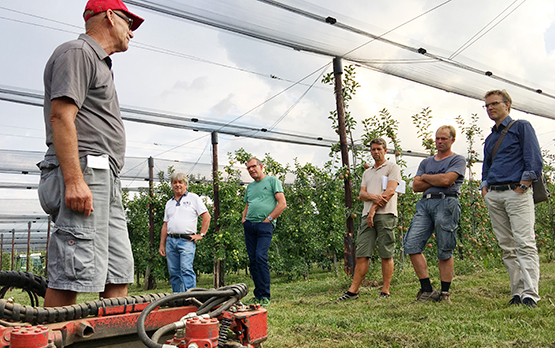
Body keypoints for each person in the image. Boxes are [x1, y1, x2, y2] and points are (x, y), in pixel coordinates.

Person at [37, 0, 144, 307]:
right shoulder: (78, 53)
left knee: (117, 270)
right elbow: (61, 116)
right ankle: (50, 338)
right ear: (110, 16)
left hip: (105, 176)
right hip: (84, 170)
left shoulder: (100, 64)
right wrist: (73, 180)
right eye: (128, 23)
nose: (131, 33)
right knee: (73, 268)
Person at [480, 90, 543, 308]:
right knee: (507, 246)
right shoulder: (491, 138)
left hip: (516, 191)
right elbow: (486, 166)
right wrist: (485, 188)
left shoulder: (521, 127)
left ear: (507, 104)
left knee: (524, 243)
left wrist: (524, 184)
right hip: (495, 195)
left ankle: (530, 294)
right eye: (486, 105)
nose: (490, 108)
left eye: (494, 104)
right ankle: (516, 292)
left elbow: (533, 158)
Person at [403, 126, 466, 303]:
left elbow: (447, 181)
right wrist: (437, 178)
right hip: (425, 204)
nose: (439, 142)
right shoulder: (426, 162)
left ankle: (445, 293)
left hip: (447, 202)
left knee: (445, 247)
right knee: (411, 244)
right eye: (437, 138)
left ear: (452, 140)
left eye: (443, 139)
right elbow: (415, 187)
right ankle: (427, 289)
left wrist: (426, 178)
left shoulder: (458, 160)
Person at [337, 138, 402, 301]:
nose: (375, 152)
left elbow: (391, 190)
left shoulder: (393, 167)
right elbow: (362, 194)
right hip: (367, 216)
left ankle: (385, 290)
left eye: (379, 149)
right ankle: (353, 291)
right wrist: (372, 200)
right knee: (362, 254)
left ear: (385, 151)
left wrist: (373, 208)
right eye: (373, 149)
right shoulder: (367, 172)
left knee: (386, 253)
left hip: (386, 214)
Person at [242, 158, 287, 306]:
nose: (251, 169)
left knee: (260, 257)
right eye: (248, 168)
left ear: (261, 167)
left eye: (254, 166)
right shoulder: (249, 187)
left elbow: (282, 203)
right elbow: (248, 205)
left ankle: (265, 295)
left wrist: (268, 219)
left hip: (264, 225)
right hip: (250, 225)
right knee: (253, 260)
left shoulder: (273, 181)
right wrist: (244, 220)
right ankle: (258, 295)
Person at [158, 173, 211, 292]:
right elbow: (165, 224)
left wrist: (201, 234)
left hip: (186, 240)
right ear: (172, 185)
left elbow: (207, 216)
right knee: (173, 272)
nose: (177, 185)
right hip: (171, 241)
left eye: (180, 182)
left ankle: (191, 297)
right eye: (175, 182)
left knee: (186, 270)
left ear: (185, 185)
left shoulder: (193, 198)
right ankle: (178, 298)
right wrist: (162, 244)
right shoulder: (169, 203)